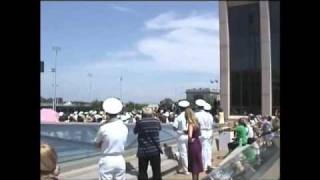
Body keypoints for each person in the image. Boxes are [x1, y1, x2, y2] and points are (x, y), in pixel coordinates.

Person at [95, 98, 128, 180]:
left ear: (106, 112)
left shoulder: (104, 127)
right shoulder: (124, 127)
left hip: (107, 159)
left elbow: (97, 143)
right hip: (120, 159)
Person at [134, 107, 162, 180]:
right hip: (155, 150)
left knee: (142, 172)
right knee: (157, 172)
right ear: (151, 113)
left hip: (143, 150)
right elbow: (159, 128)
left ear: (143, 114)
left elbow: (135, 131)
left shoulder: (140, 122)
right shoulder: (156, 121)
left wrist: (138, 120)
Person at [195, 99, 214, 172]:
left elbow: (196, 125)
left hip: (202, 132)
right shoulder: (210, 115)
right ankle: (208, 164)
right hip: (209, 132)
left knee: (202, 150)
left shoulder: (197, 114)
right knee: (208, 149)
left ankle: (204, 165)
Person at [172, 100, 190, 175]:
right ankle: (185, 167)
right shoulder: (190, 116)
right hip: (189, 135)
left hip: (181, 136)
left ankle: (185, 170)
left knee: (183, 153)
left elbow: (174, 127)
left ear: (180, 108)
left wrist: (180, 130)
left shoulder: (178, 117)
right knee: (188, 152)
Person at [185, 108, 203, 180]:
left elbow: (190, 135)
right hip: (198, 143)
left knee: (194, 165)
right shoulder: (197, 123)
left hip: (193, 145)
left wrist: (189, 140)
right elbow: (199, 133)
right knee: (197, 164)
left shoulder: (190, 124)